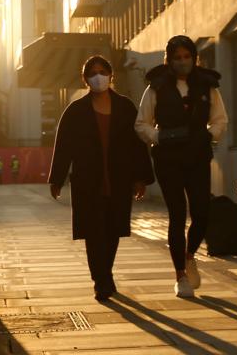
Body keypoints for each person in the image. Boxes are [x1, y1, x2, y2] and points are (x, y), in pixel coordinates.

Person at [48, 55, 155, 302]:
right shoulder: (76, 111)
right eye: (93, 73)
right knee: (94, 232)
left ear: (110, 75)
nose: (98, 77)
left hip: (119, 178)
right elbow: (63, 146)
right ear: (85, 79)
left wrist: (140, 177)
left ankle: (105, 275)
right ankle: (101, 281)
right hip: (88, 181)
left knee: (114, 229)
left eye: (102, 71)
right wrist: (57, 178)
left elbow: (138, 145)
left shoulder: (126, 107)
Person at [135, 35, 228, 299]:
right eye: (177, 57)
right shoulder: (156, 86)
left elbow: (221, 120)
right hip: (168, 159)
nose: (182, 62)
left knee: (202, 212)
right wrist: (159, 137)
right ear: (169, 59)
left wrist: (209, 136)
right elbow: (141, 124)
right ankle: (180, 277)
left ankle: (189, 256)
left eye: (187, 56)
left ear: (194, 58)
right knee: (177, 214)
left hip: (198, 156)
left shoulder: (208, 85)